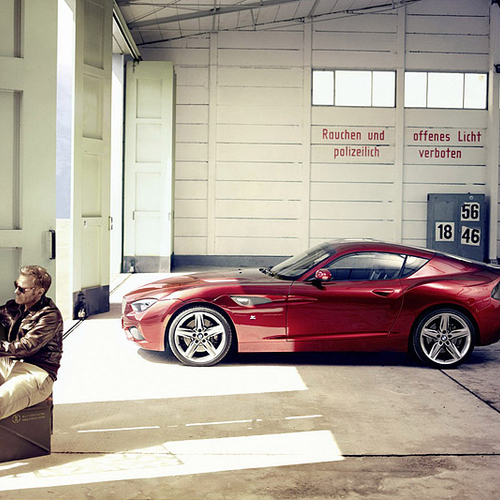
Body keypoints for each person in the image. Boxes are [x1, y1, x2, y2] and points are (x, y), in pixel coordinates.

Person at [0, 266, 63, 420]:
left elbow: (26, 347)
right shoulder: (14, 307)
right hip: (9, 364)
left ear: (40, 292)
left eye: (22, 289)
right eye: (16, 285)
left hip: (36, 372)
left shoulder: (49, 315)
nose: (16, 291)